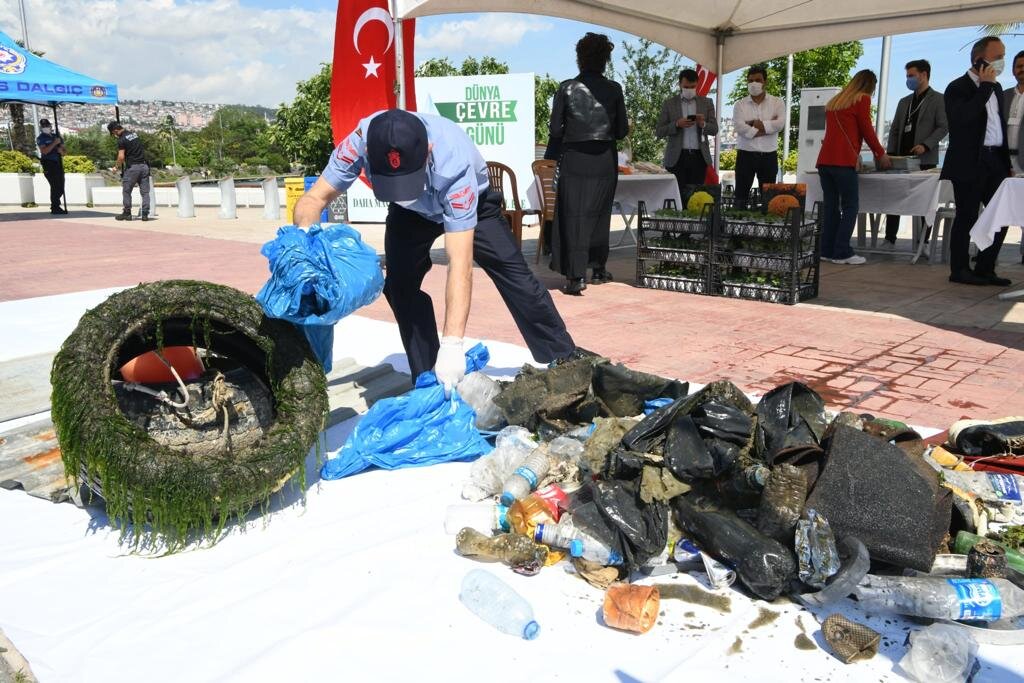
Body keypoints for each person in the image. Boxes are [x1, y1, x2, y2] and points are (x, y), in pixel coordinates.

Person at [294, 109, 579, 393]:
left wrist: (453, 344)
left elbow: (459, 263)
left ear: (428, 151)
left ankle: (564, 357)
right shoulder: (358, 143)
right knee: (399, 285)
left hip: (474, 205)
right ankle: (428, 376)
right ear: (368, 152)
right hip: (409, 214)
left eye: (408, 178)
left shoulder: (454, 164)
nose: (403, 189)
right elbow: (314, 199)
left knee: (514, 274)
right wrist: (304, 241)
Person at [546, 32, 628, 295]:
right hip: (604, 158)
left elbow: (556, 130)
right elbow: (621, 130)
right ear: (605, 59)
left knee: (572, 215)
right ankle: (598, 269)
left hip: (574, 158)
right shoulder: (614, 89)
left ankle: (574, 276)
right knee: (600, 213)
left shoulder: (566, 88)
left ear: (580, 59)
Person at [941, 37, 1012, 286]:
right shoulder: (956, 87)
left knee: (1000, 217)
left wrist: (1007, 164)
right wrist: (983, 87)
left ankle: (985, 267)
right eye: (997, 56)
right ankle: (959, 269)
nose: (1002, 61)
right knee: (967, 216)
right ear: (978, 59)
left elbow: (997, 125)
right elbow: (962, 119)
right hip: (970, 161)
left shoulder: (998, 88)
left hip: (996, 161)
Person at [815, 70, 892, 265]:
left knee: (831, 206)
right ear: (870, 85)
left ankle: (826, 249)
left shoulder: (835, 102)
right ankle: (842, 251)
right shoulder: (861, 99)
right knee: (850, 206)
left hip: (825, 160)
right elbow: (867, 129)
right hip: (843, 162)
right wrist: (880, 153)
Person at [882, 59, 948, 246]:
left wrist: (926, 145)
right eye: (907, 76)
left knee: (924, 202)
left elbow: (943, 127)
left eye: (911, 76)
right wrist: (890, 154)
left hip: (925, 159)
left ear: (924, 75)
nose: (908, 79)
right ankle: (889, 238)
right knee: (894, 198)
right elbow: (895, 129)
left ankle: (923, 241)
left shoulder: (938, 99)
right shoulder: (904, 102)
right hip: (902, 159)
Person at [656, 68, 719, 196]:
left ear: (697, 84)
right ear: (679, 84)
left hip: (699, 157)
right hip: (677, 158)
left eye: (693, 87)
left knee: (696, 196)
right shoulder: (669, 104)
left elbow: (715, 129)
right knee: (676, 196)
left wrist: (703, 124)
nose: (689, 90)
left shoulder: (707, 103)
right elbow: (659, 131)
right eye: (686, 87)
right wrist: (677, 124)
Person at [731, 64, 786, 209]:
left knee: (769, 199)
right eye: (750, 80)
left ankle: (767, 229)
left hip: (768, 155)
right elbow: (739, 127)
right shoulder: (740, 104)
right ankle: (736, 228)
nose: (753, 83)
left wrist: (754, 124)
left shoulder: (777, 102)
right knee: (740, 197)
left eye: (757, 80)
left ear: (765, 81)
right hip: (745, 155)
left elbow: (780, 124)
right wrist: (768, 127)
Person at [107, 121, 150, 221]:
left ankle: (127, 213)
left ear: (115, 130)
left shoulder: (121, 140)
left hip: (133, 168)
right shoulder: (134, 134)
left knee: (126, 191)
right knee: (145, 192)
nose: (114, 136)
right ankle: (145, 214)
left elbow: (121, 157)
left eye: (113, 133)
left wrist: (116, 167)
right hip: (144, 166)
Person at [36, 118, 67, 215]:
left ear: (50, 126)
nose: (46, 127)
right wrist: (54, 143)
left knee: (61, 185)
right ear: (41, 127)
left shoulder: (56, 137)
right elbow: (44, 151)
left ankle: (56, 205)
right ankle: (55, 207)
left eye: (47, 125)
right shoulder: (41, 138)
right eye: (43, 126)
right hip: (48, 164)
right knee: (54, 185)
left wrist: (61, 151)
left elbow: (64, 152)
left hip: (58, 163)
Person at [1007, 50, 1024, 175]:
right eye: (1019, 66)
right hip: (1005, 164)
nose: (1022, 69)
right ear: (1013, 71)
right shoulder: (1003, 96)